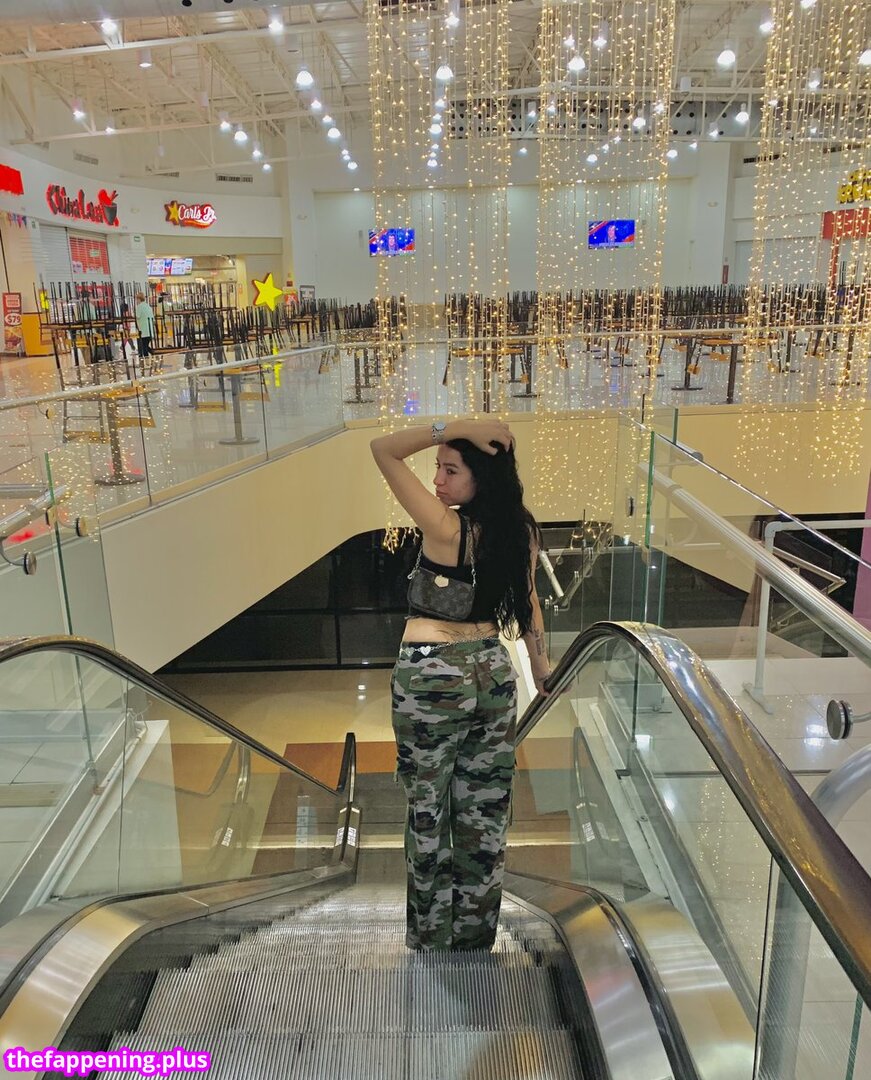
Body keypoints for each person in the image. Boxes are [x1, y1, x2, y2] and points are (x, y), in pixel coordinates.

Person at [371, 417, 551, 951]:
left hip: (432, 674)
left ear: (481, 477)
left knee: (428, 807)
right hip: (493, 673)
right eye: (437, 468)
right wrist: (541, 669)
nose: (438, 481)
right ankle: (474, 935)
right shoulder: (521, 531)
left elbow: (383, 449)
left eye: (451, 470)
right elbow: (529, 601)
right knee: (485, 808)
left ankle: (431, 934)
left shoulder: (446, 527)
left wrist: (456, 425)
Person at [135, 291, 155, 359]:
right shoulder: (148, 306)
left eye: (137, 299)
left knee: (144, 347)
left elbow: (137, 316)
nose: (136, 301)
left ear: (139, 299)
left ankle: (148, 358)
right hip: (150, 330)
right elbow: (153, 319)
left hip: (143, 330)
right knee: (145, 345)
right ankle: (152, 354)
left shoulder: (139, 307)